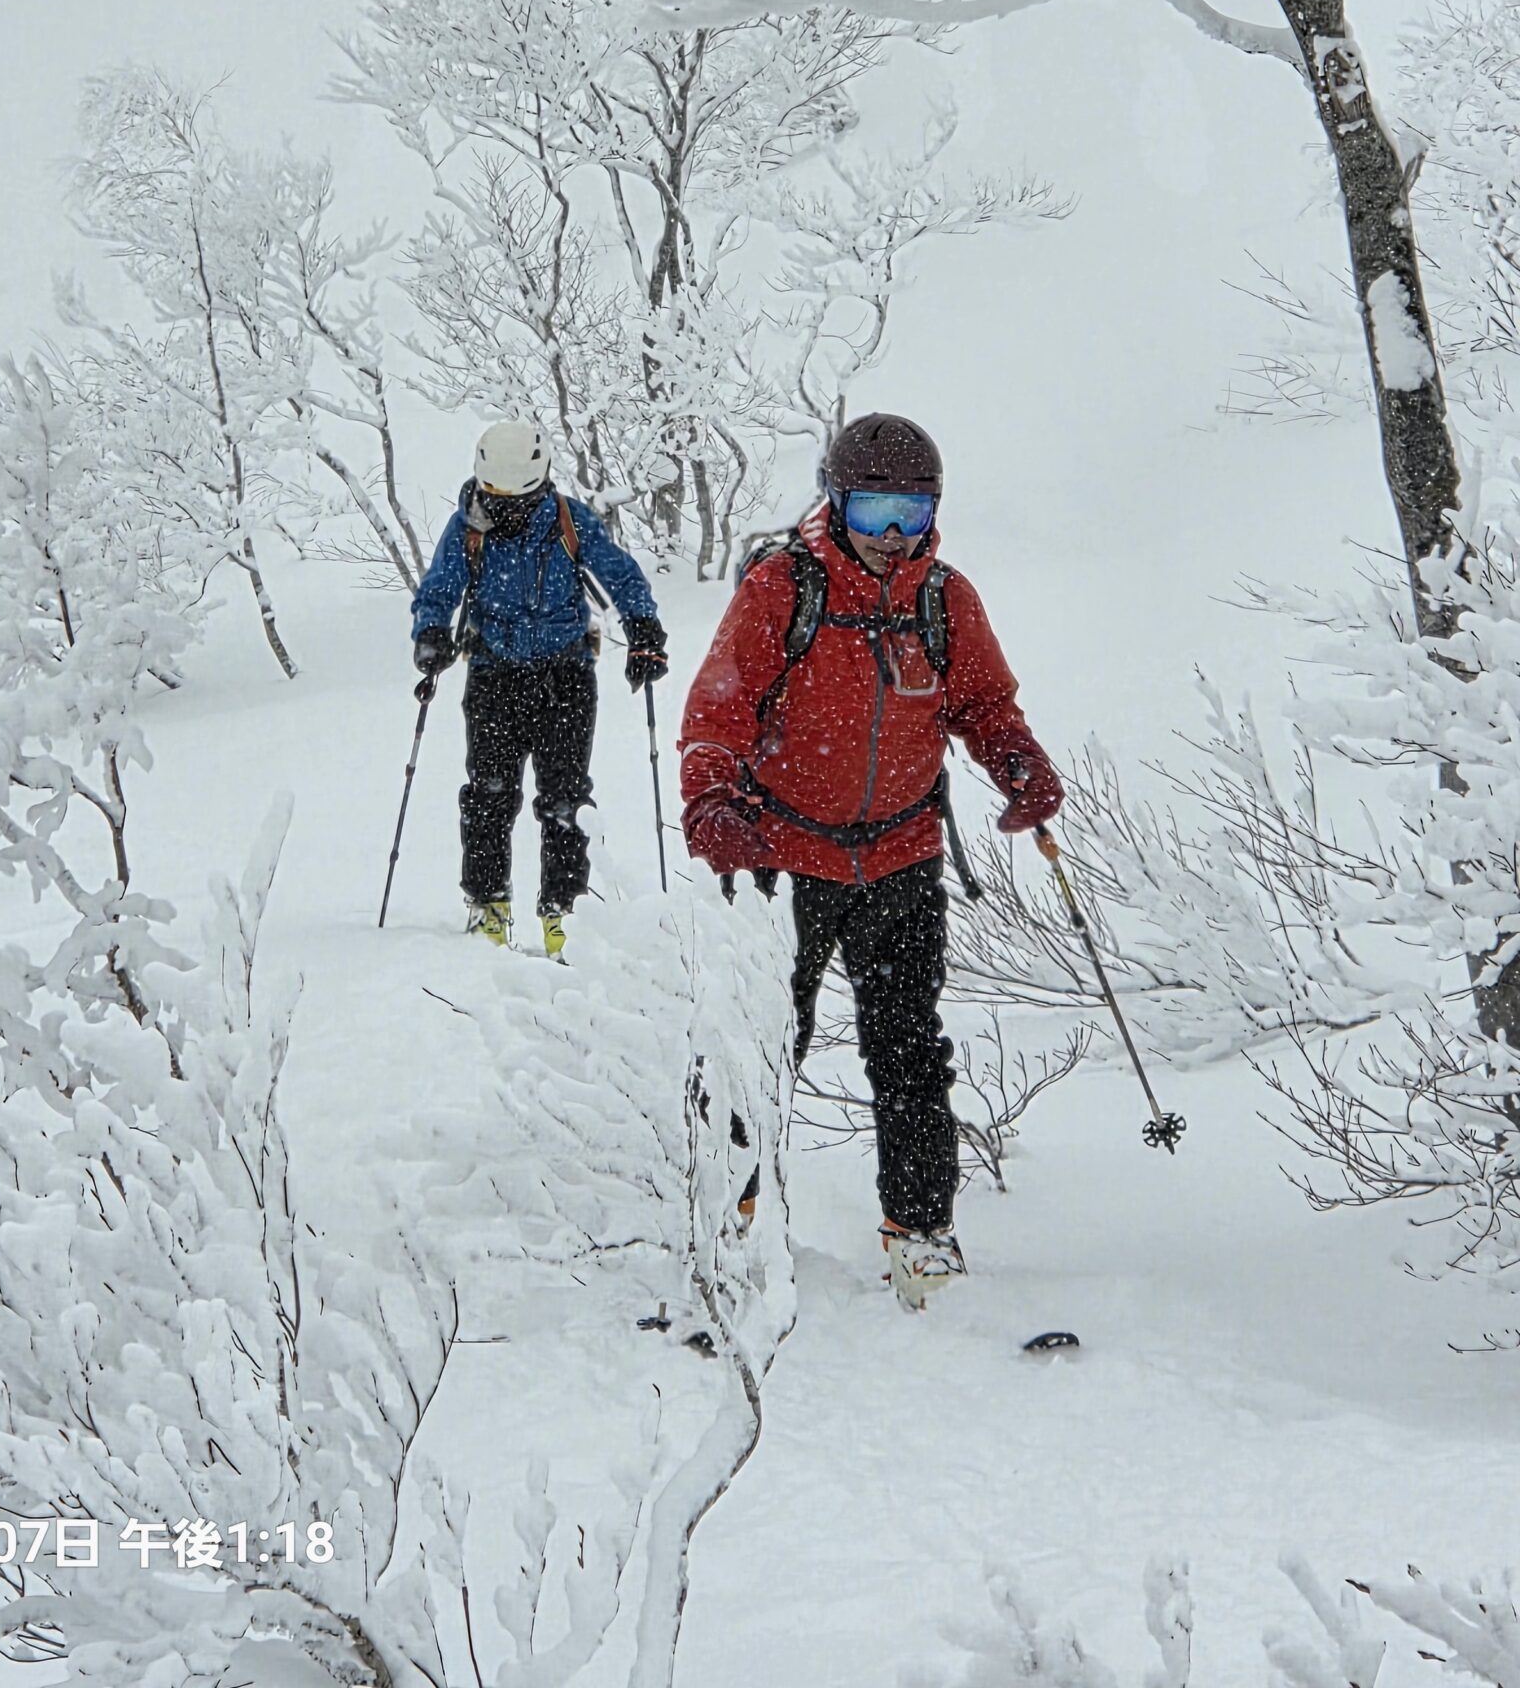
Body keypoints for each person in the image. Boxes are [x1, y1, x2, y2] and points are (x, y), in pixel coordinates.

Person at [677, 412, 1062, 1308]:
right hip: (782, 858)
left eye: (912, 513)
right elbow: (718, 713)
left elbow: (983, 705)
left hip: (900, 855)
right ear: (836, 502)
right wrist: (711, 799)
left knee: (909, 1047)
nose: (892, 535)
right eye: (873, 512)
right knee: (763, 1042)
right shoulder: (784, 588)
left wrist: (1017, 760)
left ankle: (921, 1231)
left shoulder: (944, 599)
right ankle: (730, 1214)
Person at [412, 420, 667, 958]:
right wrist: (431, 632)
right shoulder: (468, 528)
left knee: (566, 798)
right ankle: (488, 905)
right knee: (489, 794)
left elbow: (621, 575)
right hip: (494, 675)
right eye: (497, 499)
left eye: (519, 500)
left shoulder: (569, 520)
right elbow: (439, 586)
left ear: (541, 484)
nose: (507, 511)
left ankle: (564, 911)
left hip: (565, 676)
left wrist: (644, 629)